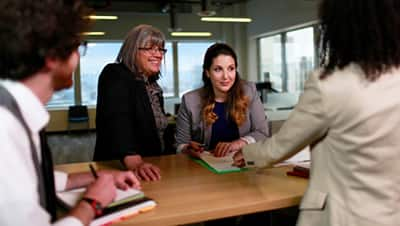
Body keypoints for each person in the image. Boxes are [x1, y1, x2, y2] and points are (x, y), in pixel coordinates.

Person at [233, 0, 400, 226]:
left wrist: (248, 153)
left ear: (338, 27)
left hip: (340, 218)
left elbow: (280, 146)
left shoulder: (330, 85)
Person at [0, 1, 141, 225]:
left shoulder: (15, 113)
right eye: (78, 47)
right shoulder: (5, 130)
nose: (79, 56)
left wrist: (96, 178)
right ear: (53, 57)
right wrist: (92, 203)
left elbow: (34, 180)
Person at [94, 24, 170, 181]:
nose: (158, 54)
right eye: (150, 48)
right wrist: (134, 161)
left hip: (151, 167)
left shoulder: (154, 87)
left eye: (161, 49)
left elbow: (158, 132)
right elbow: (117, 120)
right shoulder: (115, 74)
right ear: (133, 50)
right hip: (122, 170)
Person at [176, 43, 270, 158]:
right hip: (204, 168)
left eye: (231, 69)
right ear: (207, 72)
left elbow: (263, 132)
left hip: (242, 164)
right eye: (218, 69)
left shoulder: (249, 91)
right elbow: (180, 145)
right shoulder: (190, 100)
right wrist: (186, 149)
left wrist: (237, 144)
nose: (226, 76)